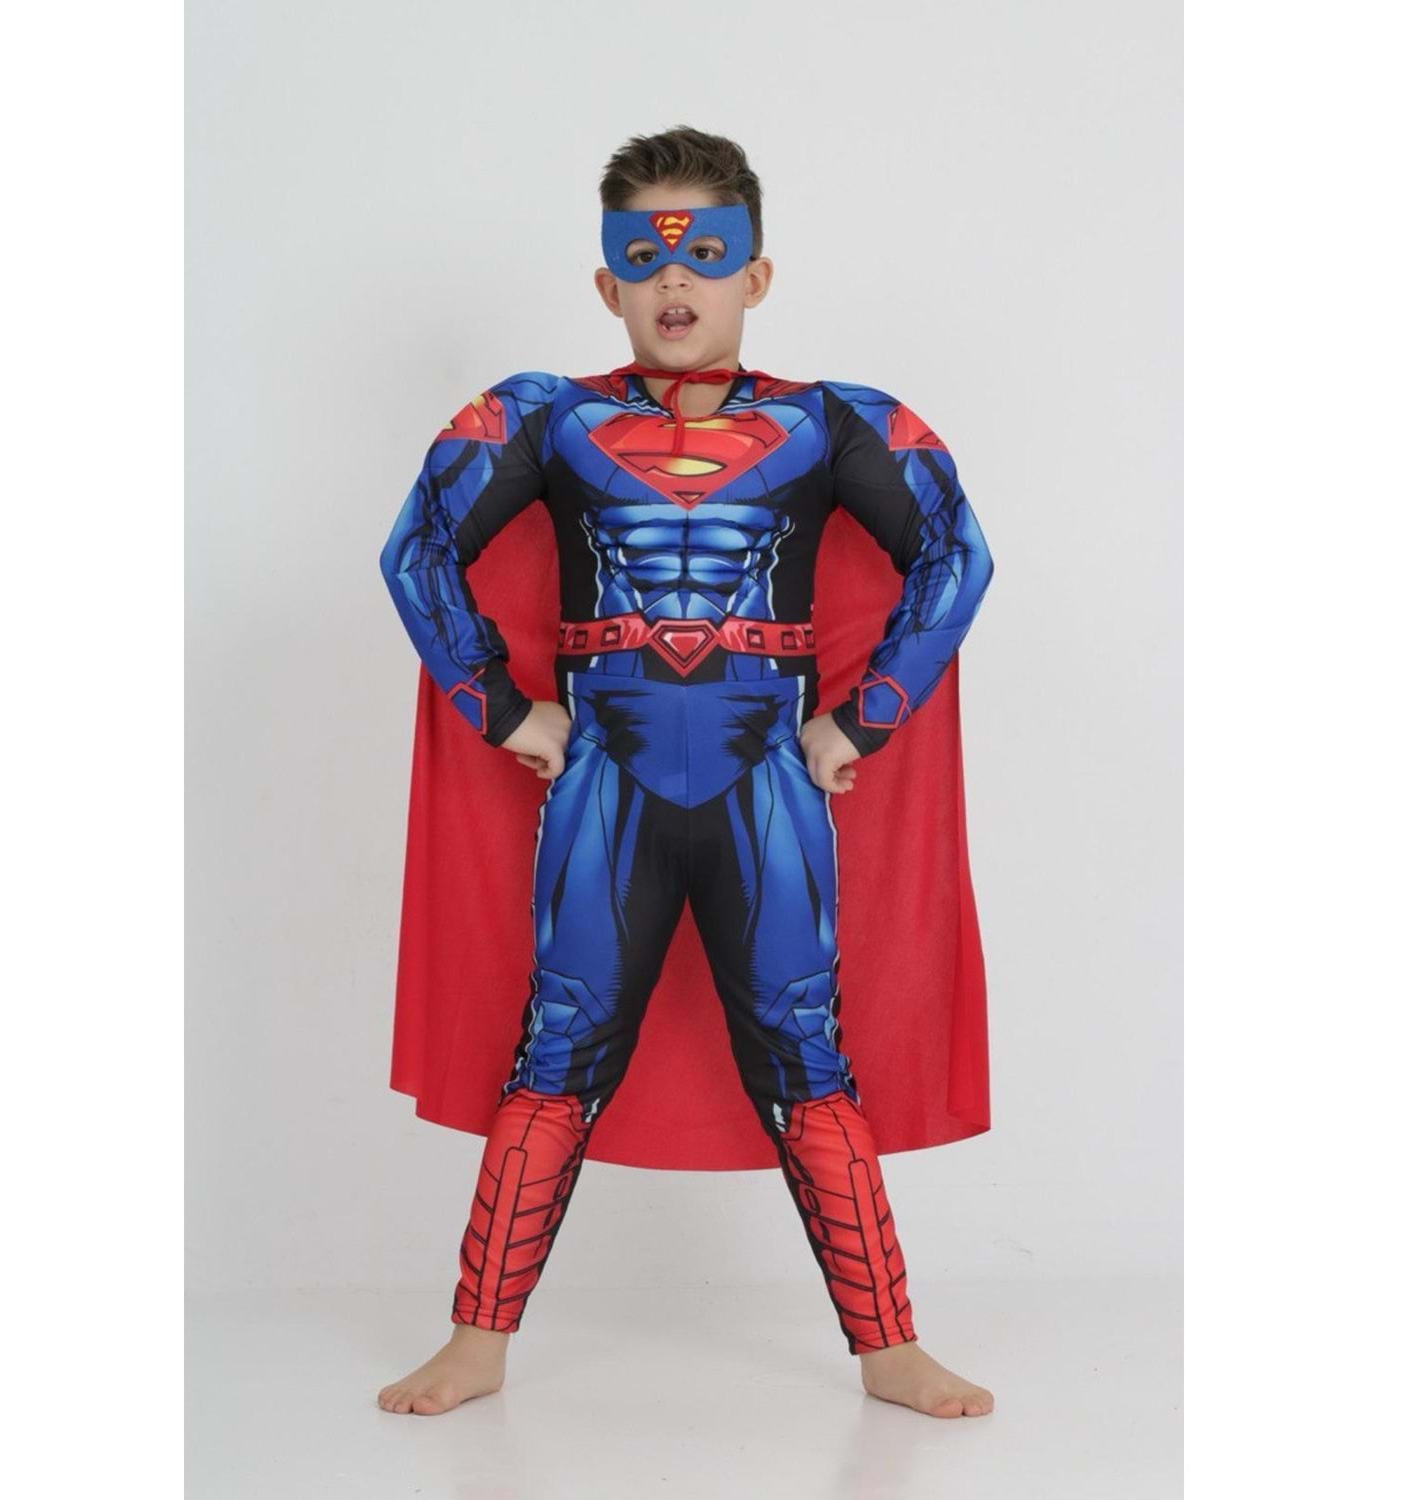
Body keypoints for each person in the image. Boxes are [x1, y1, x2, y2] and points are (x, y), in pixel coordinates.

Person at [375, 126, 995, 1420]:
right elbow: (418, 548)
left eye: (707, 254)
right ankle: (477, 1344)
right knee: (555, 1051)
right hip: (606, 779)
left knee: (808, 1059)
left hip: (768, 780)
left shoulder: (835, 421)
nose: (676, 279)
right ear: (606, 281)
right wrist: (502, 709)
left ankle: (888, 1350)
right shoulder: (546, 416)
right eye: (645, 256)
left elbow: (956, 554)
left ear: (755, 275)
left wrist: (864, 720)